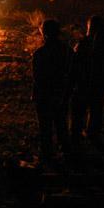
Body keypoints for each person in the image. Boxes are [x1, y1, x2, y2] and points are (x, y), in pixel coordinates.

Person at [32, 19, 72, 161]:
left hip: (45, 95)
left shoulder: (40, 54)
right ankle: (66, 152)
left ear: (45, 34)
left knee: (45, 126)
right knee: (61, 123)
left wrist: (36, 94)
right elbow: (71, 72)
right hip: (61, 93)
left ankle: (47, 153)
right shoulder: (67, 50)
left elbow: (37, 78)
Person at [70, 16, 104, 142]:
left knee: (78, 111)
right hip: (100, 83)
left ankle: (76, 134)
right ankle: (92, 132)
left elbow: (75, 63)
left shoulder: (84, 44)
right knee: (96, 109)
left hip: (83, 83)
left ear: (90, 27)